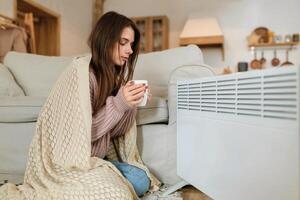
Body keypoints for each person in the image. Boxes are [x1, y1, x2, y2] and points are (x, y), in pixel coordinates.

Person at [88, 11, 151, 197]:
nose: (130, 50)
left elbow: (115, 132)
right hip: (76, 161)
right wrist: (119, 102)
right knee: (132, 185)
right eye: (123, 42)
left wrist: (130, 104)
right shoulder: (85, 75)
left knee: (141, 179)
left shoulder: (111, 77)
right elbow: (84, 131)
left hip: (96, 159)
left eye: (131, 44)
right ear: (105, 40)